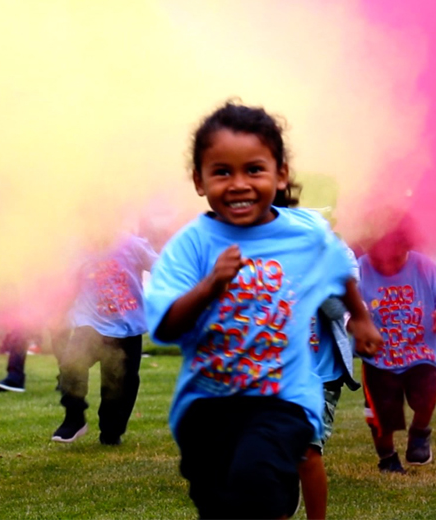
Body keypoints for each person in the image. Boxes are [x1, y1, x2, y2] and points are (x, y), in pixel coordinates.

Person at [145, 101, 382, 519]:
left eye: (254, 169)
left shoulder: (304, 232)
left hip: (282, 396)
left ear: (281, 174)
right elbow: (165, 323)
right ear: (199, 181)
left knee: (258, 478)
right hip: (209, 403)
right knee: (220, 499)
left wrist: (359, 318)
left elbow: (339, 269)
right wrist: (211, 286)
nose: (239, 184)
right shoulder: (192, 244)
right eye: (222, 172)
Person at [357, 209, 436, 473]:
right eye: (382, 257)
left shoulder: (424, 266)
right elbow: (349, 304)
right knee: (382, 415)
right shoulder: (360, 270)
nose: (389, 265)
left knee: (426, 393)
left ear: (408, 245)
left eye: (397, 256)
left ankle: (419, 432)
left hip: (420, 351)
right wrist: (356, 321)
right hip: (380, 358)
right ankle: (387, 458)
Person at [52, 232, 158, 445]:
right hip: (90, 324)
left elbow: (162, 267)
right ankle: (74, 418)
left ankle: (111, 431)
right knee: (71, 365)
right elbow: (66, 284)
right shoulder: (77, 248)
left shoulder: (132, 245)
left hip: (127, 328)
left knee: (120, 383)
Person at [299, 243, 361, 520]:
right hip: (273, 370)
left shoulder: (340, 253)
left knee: (308, 450)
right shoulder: (263, 245)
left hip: (320, 374)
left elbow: (337, 307)